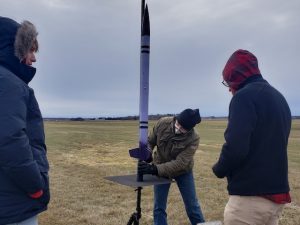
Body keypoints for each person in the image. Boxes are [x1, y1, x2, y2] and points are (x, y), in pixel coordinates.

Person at [212, 49, 291, 225]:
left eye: (228, 82)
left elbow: (236, 148)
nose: (229, 89)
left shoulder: (244, 97)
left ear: (235, 76)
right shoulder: (279, 98)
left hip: (250, 199)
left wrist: (219, 168)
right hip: (276, 196)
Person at [0, 17, 50, 225]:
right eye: (30, 50)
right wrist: (36, 187)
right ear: (14, 49)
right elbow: (10, 139)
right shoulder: (8, 83)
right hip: (14, 203)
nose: (34, 58)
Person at [138, 108, 205, 225]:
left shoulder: (194, 138)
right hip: (160, 169)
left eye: (183, 128)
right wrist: (147, 154)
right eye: (178, 124)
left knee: (192, 206)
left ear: (190, 129)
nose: (178, 128)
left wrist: (154, 169)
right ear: (176, 118)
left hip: (183, 171)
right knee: (159, 207)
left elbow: (180, 163)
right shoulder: (162, 123)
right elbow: (150, 141)